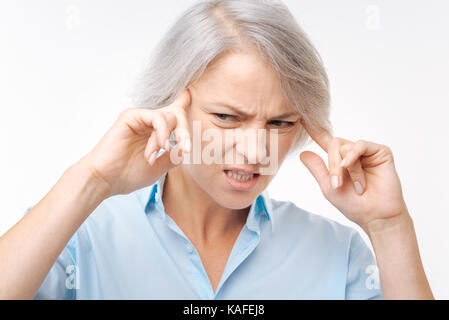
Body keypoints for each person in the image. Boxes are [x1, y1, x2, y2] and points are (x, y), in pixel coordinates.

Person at [0, 0, 433, 299]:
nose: (254, 151)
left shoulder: (339, 254)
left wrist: (389, 226)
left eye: (280, 123)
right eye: (227, 117)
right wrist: (91, 180)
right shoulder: (82, 239)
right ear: (170, 104)